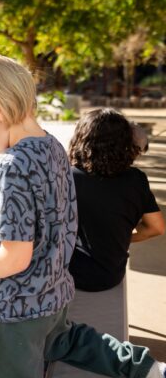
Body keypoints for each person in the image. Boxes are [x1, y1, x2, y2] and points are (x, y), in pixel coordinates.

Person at [0, 53, 165, 378]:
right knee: (71, 341)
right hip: (55, 296)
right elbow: (41, 228)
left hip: (19, 311)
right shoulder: (53, 147)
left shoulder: (12, 168)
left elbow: (14, 258)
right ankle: (146, 368)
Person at [68, 108, 164, 292]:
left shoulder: (68, 177)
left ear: (81, 139)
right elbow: (156, 228)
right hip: (111, 275)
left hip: (70, 275)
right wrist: (119, 238)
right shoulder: (136, 179)